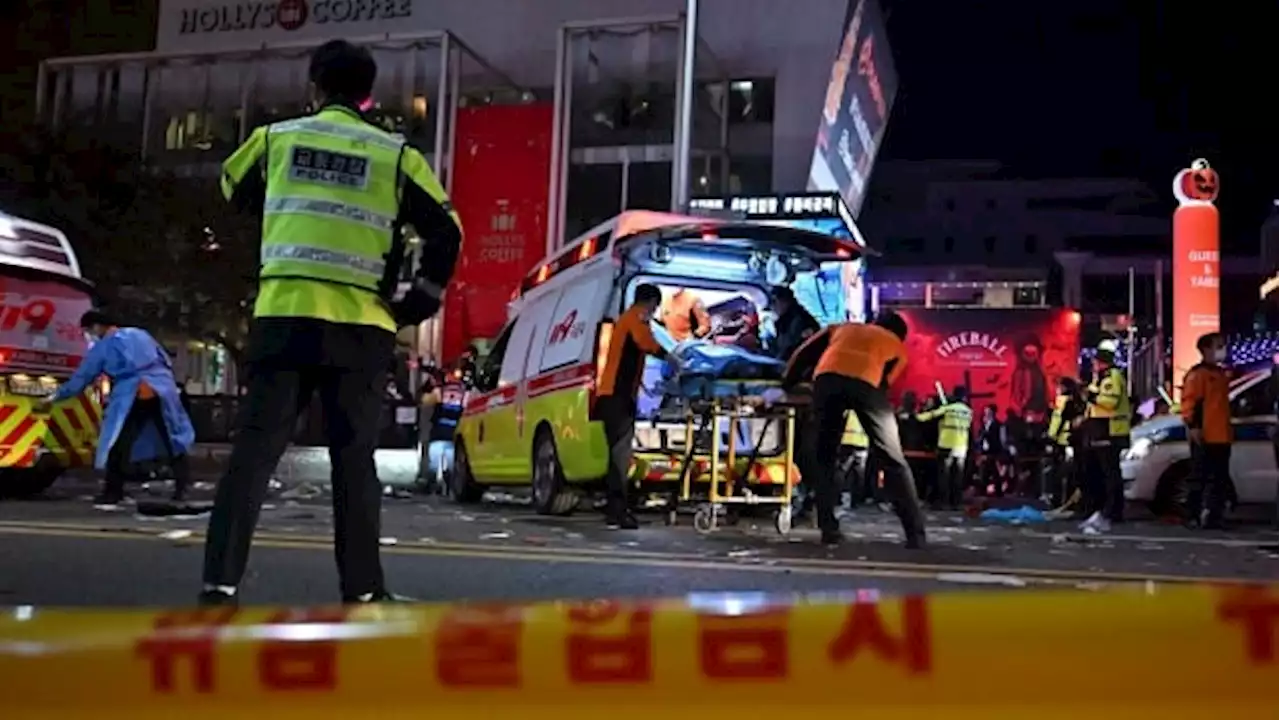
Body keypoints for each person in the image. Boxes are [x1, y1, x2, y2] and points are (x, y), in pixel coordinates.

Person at [201, 39, 463, 606]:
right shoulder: (397, 156)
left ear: (313, 86)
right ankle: (363, 590)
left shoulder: (276, 139)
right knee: (353, 463)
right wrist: (421, 299)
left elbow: (230, 189)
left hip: (283, 318)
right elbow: (448, 230)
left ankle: (218, 585)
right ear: (368, 96)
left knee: (253, 456)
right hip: (361, 327)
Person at [783, 311, 926, 547]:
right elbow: (885, 382)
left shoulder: (842, 328)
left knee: (824, 457)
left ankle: (829, 530)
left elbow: (803, 353)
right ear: (900, 335)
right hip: (867, 386)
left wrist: (788, 383)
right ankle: (915, 534)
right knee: (893, 460)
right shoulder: (897, 348)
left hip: (826, 380)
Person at [37, 311, 195, 506]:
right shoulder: (140, 334)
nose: (88, 335)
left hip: (132, 394)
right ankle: (183, 488)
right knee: (172, 439)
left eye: (87, 330)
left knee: (119, 442)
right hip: (162, 391)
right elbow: (164, 359)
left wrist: (56, 396)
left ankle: (113, 491)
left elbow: (82, 378)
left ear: (96, 326)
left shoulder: (103, 347)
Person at [596, 284, 671, 529]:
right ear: (649, 303)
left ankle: (613, 510)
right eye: (654, 306)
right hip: (617, 397)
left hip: (614, 396)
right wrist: (672, 358)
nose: (654, 312)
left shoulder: (626, 319)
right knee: (620, 456)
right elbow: (646, 343)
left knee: (617, 455)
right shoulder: (635, 319)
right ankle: (618, 512)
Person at [1078, 339, 1131, 535]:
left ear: (1102, 361)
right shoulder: (1101, 377)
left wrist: (1090, 396)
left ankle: (1112, 511)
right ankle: (1104, 509)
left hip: (1110, 430)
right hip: (1100, 430)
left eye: (1096, 361)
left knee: (1110, 474)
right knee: (1102, 472)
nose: (1093, 364)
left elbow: (1109, 403)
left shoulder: (1112, 377)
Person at [1180, 332, 1232, 529]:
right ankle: (1192, 515)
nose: (1222, 349)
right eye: (1218, 345)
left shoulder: (1220, 374)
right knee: (1199, 477)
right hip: (1205, 435)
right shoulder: (1198, 375)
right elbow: (1190, 403)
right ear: (1206, 350)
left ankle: (1214, 517)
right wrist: (1193, 427)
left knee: (1219, 479)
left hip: (1222, 435)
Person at [917, 386, 971, 509]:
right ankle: (956, 503)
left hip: (946, 445)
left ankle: (943, 502)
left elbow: (930, 415)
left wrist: (916, 417)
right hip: (961, 447)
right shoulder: (968, 411)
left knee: (944, 476)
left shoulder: (947, 409)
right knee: (957, 476)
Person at [1045, 377, 1084, 507]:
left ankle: (1058, 500)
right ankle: (1069, 500)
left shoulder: (1062, 400)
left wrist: (1051, 437)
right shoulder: (1077, 400)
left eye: (1059, 386)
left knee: (1059, 473)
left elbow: (1058, 420)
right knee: (1071, 472)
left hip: (1062, 440)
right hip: (1072, 440)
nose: (1057, 389)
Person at [768, 286, 820, 361]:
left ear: (785, 301)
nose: (772, 307)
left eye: (774, 302)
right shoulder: (782, 323)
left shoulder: (799, 319)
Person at [975, 405, 1007, 497]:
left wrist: (1000, 451)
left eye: (988, 411)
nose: (986, 414)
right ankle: (983, 491)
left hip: (994, 451)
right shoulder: (983, 425)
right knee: (984, 471)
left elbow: (1001, 439)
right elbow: (980, 438)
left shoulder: (999, 425)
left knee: (994, 471)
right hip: (984, 451)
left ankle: (998, 492)